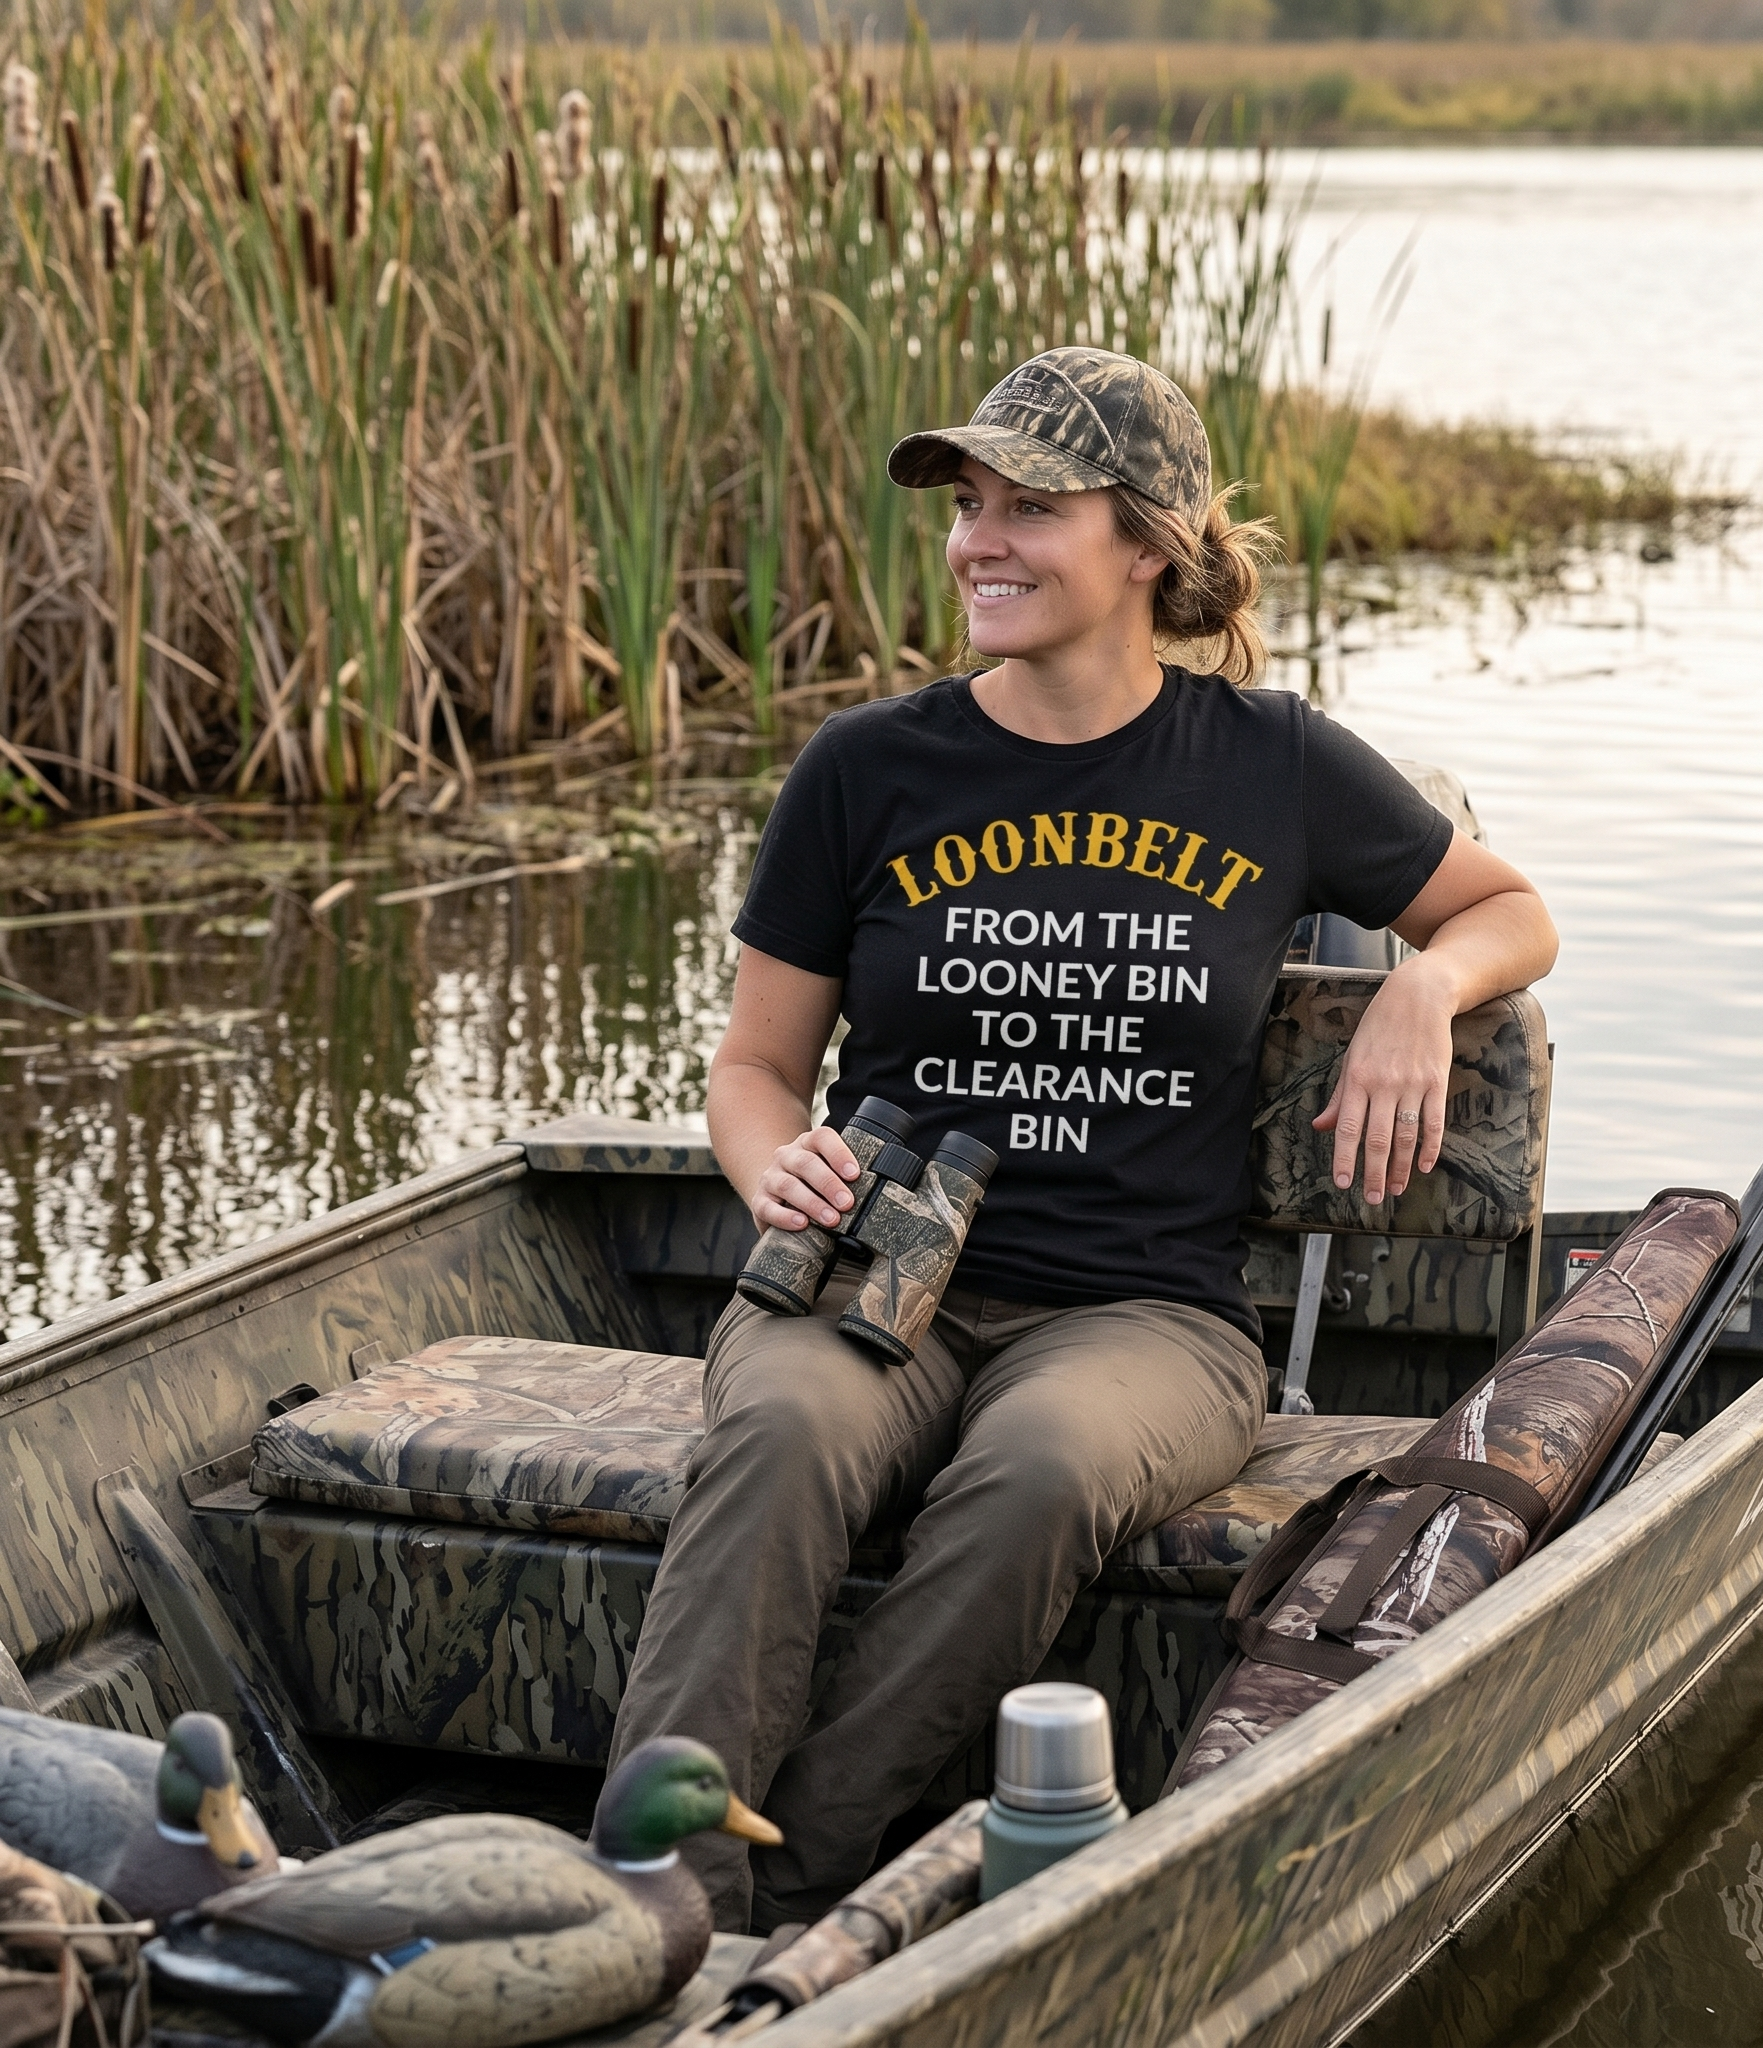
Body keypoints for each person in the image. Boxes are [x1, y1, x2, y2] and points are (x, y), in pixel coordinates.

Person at [607, 346, 1557, 1932]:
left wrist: (1422, 991)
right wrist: (767, 1160)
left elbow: (1509, 907)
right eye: (968, 505)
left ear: (1147, 547)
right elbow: (756, 1068)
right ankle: (650, 1900)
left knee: (1037, 1469)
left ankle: (812, 1887)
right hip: (878, 1285)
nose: (980, 539)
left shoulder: (1268, 760)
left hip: (1147, 1317)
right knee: (772, 1442)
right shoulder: (868, 768)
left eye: (1029, 507)